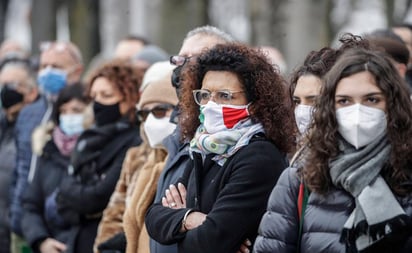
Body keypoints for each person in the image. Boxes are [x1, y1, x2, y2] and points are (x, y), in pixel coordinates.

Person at [253, 48, 412, 253]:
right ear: (330, 108)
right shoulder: (301, 179)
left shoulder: (406, 174)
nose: (357, 111)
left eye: (371, 99)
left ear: (392, 104)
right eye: (344, 101)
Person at [145, 43, 295, 253]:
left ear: (254, 103)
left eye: (225, 96)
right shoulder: (204, 147)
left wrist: (180, 224)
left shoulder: (259, 156)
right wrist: (190, 218)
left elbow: (209, 242)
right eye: (205, 95)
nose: (211, 104)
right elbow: (153, 217)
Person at [148, 25, 236, 253]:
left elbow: (217, 231)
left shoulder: (233, 140)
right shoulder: (181, 133)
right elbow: (156, 215)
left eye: (193, 58)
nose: (182, 67)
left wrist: (181, 217)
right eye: (180, 59)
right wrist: (184, 218)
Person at [55, 59, 143, 253]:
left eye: (107, 95)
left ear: (129, 98)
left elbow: (101, 195)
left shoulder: (136, 140)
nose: (98, 103)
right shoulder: (88, 138)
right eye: (94, 96)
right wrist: (83, 209)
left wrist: (76, 198)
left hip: (107, 242)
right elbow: (61, 200)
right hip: (77, 240)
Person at [93, 64, 176, 253]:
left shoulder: (188, 161)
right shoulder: (138, 157)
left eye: (160, 111)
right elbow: (115, 212)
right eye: (145, 113)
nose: (151, 121)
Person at [10, 41, 84, 250]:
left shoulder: (84, 115)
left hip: (66, 229)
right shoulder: (28, 114)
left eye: (56, 67)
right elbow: (19, 170)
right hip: (25, 223)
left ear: (76, 71)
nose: (47, 72)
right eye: (43, 66)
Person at [21, 84, 89, 253]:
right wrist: (41, 240)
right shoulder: (48, 152)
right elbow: (30, 205)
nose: (69, 116)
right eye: (64, 111)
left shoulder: (100, 151)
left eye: (76, 110)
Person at [0, 61, 38, 253]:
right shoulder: (4, 126)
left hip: (20, 231)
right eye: (3, 85)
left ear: (31, 91)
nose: (6, 91)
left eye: (14, 84)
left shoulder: (36, 127)